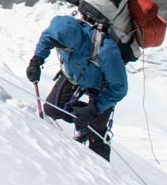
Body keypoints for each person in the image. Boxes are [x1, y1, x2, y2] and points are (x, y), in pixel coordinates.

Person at [25, 9, 128, 161]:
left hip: (101, 87)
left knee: (96, 132)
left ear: (72, 44)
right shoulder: (61, 32)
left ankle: (105, 176)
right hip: (73, 76)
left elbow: (119, 88)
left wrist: (94, 109)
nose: (58, 48)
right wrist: (36, 61)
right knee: (51, 110)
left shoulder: (106, 51)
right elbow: (47, 38)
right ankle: (80, 121)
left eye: (62, 47)